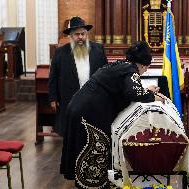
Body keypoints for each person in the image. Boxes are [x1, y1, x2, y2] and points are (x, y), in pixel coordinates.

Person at [60, 41, 166, 188]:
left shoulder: (121, 65)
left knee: (86, 148)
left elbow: (125, 89)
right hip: (88, 112)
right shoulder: (131, 69)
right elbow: (133, 92)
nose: (144, 72)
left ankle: (89, 183)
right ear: (142, 64)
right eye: (146, 69)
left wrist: (147, 90)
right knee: (93, 149)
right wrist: (155, 97)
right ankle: (91, 185)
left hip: (80, 106)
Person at [48, 16, 108, 136]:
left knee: (92, 133)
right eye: (77, 34)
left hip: (93, 100)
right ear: (70, 35)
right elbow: (53, 77)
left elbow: (105, 74)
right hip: (69, 100)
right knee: (71, 134)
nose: (80, 37)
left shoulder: (98, 49)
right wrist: (53, 98)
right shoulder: (60, 53)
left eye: (83, 34)